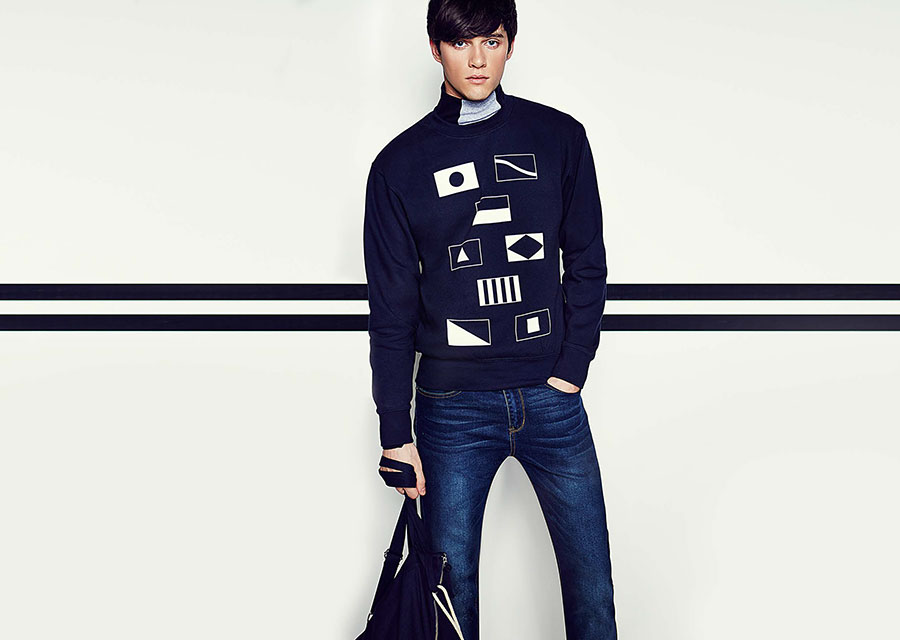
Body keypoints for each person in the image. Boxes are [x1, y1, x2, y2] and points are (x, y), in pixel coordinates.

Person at [362, 1, 616, 637]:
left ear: (511, 44)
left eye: (492, 41)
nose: (477, 59)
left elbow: (587, 261)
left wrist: (572, 367)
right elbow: (391, 309)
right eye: (460, 43)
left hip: (553, 399)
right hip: (451, 409)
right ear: (435, 48)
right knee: (451, 602)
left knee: (592, 589)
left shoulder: (560, 139)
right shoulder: (398, 166)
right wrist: (395, 430)